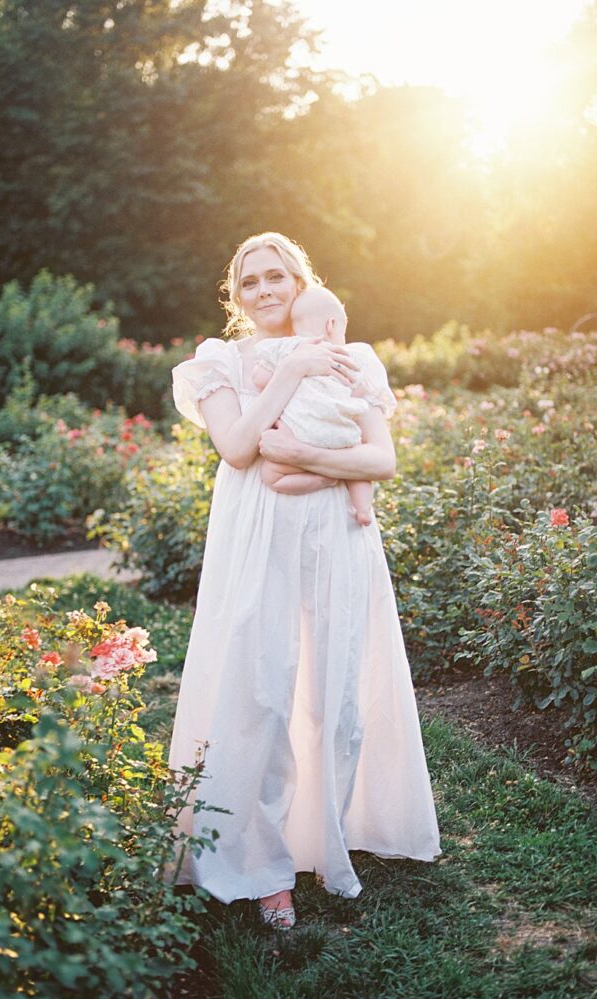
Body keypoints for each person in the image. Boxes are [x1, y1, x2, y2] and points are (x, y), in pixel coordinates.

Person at [169, 231, 441, 930]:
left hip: (335, 536)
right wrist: (287, 375)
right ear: (236, 296)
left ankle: (325, 838)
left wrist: (302, 459)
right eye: (249, 281)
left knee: (336, 691)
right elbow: (235, 449)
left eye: (276, 277)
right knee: (257, 689)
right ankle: (260, 868)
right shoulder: (220, 361)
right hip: (256, 537)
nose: (264, 291)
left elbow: (379, 461)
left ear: (300, 283)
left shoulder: (354, 359)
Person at [252, 285, 375, 526]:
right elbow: (361, 389)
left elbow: (259, 379)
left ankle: (321, 480)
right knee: (360, 473)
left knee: (270, 476)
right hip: (341, 437)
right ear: (332, 325)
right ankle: (363, 509)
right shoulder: (348, 356)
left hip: (300, 434)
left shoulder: (288, 348)